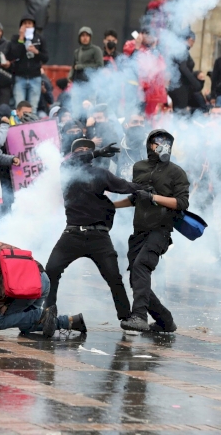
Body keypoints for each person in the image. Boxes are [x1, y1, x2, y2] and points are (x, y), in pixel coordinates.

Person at [44, 138, 143, 326]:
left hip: (99, 237)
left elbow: (125, 186)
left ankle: (126, 317)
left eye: (87, 150)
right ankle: (48, 313)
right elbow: (70, 162)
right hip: (72, 234)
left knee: (114, 278)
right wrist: (96, 151)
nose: (83, 153)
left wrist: (147, 188)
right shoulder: (67, 172)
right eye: (79, 150)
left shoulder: (100, 174)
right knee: (51, 271)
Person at [113, 130, 189, 332]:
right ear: (149, 145)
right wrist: (110, 206)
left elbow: (182, 203)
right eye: (159, 142)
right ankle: (165, 320)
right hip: (139, 230)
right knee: (135, 278)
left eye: (167, 142)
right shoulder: (139, 167)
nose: (163, 145)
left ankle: (139, 316)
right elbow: (135, 198)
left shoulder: (176, 172)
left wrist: (155, 198)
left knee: (141, 267)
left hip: (161, 231)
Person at [0, 237, 85, 336]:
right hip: (41, 279)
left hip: (29, 288)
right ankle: (73, 322)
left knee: (1, 322)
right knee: (27, 327)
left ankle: (43, 314)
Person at [7, 13, 48, 107]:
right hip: (20, 77)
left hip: (35, 77)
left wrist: (36, 52)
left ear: (34, 25)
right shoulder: (16, 38)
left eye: (29, 23)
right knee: (19, 106)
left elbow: (46, 58)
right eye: (25, 23)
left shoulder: (39, 39)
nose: (27, 25)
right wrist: (21, 38)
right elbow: (13, 55)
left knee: (33, 107)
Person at [86, 104, 121, 171]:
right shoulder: (94, 128)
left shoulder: (109, 129)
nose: (96, 121)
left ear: (106, 119)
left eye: (99, 118)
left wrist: (91, 142)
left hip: (108, 166)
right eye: (94, 118)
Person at [117, 113, 147, 182]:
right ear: (126, 125)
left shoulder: (152, 145)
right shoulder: (119, 148)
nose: (139, 125)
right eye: (135, 122)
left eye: (141, 122)